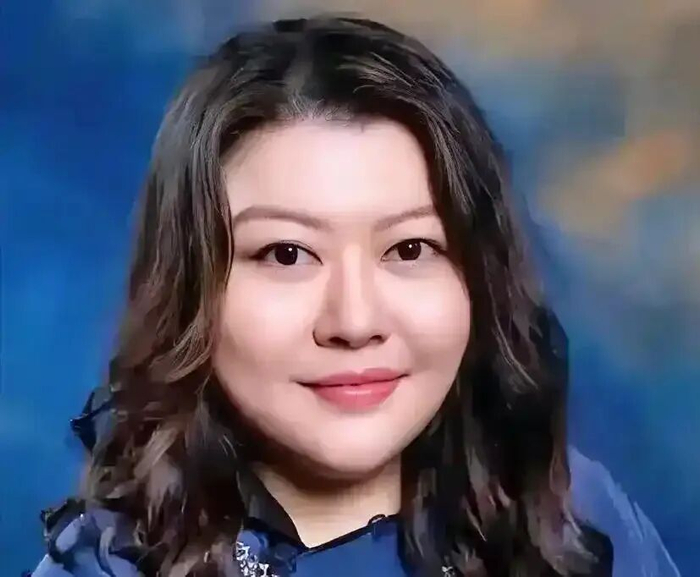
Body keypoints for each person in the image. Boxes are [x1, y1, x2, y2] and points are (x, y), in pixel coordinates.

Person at [29, 16, 680, 577]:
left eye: (410, 249)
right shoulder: (104, 565)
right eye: (286, 254)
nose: (355, 320)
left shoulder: (572, 520)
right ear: (191, 289)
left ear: (481, 279)